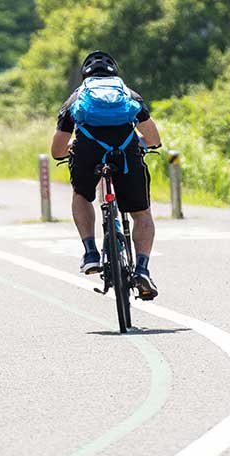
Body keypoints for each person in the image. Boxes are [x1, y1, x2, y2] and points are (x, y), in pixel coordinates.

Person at [50, 50, 162, 300]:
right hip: (125, 155)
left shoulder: (76, 98)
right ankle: (142, 269)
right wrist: (139, 143)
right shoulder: (129, 94)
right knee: (142, 214)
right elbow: (154, 139)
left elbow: (58, 150)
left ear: (85, 74)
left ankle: (90, 252)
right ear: (114, 72)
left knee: (81, 195)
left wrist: (73, 150)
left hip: (87, 154)